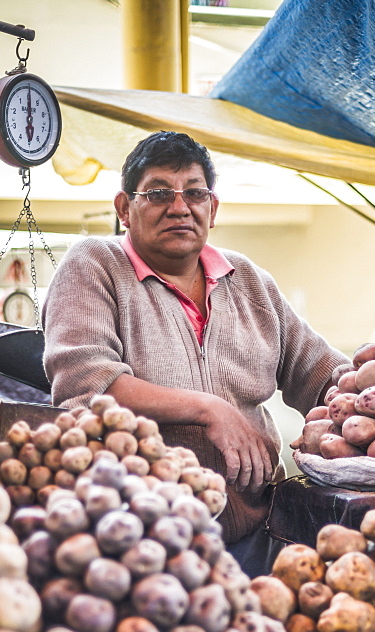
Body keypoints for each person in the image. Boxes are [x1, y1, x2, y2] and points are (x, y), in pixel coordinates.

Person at [43, 131, 348, 576]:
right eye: (159, 193)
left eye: (194, 193)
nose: (179, 207)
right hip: (140, 541)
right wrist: (208, 409)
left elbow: (321, 375)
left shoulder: (248, 281)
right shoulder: (94, 264)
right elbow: (87, 387)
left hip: (258, 530)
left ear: (213, 207)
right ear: (125, 209)